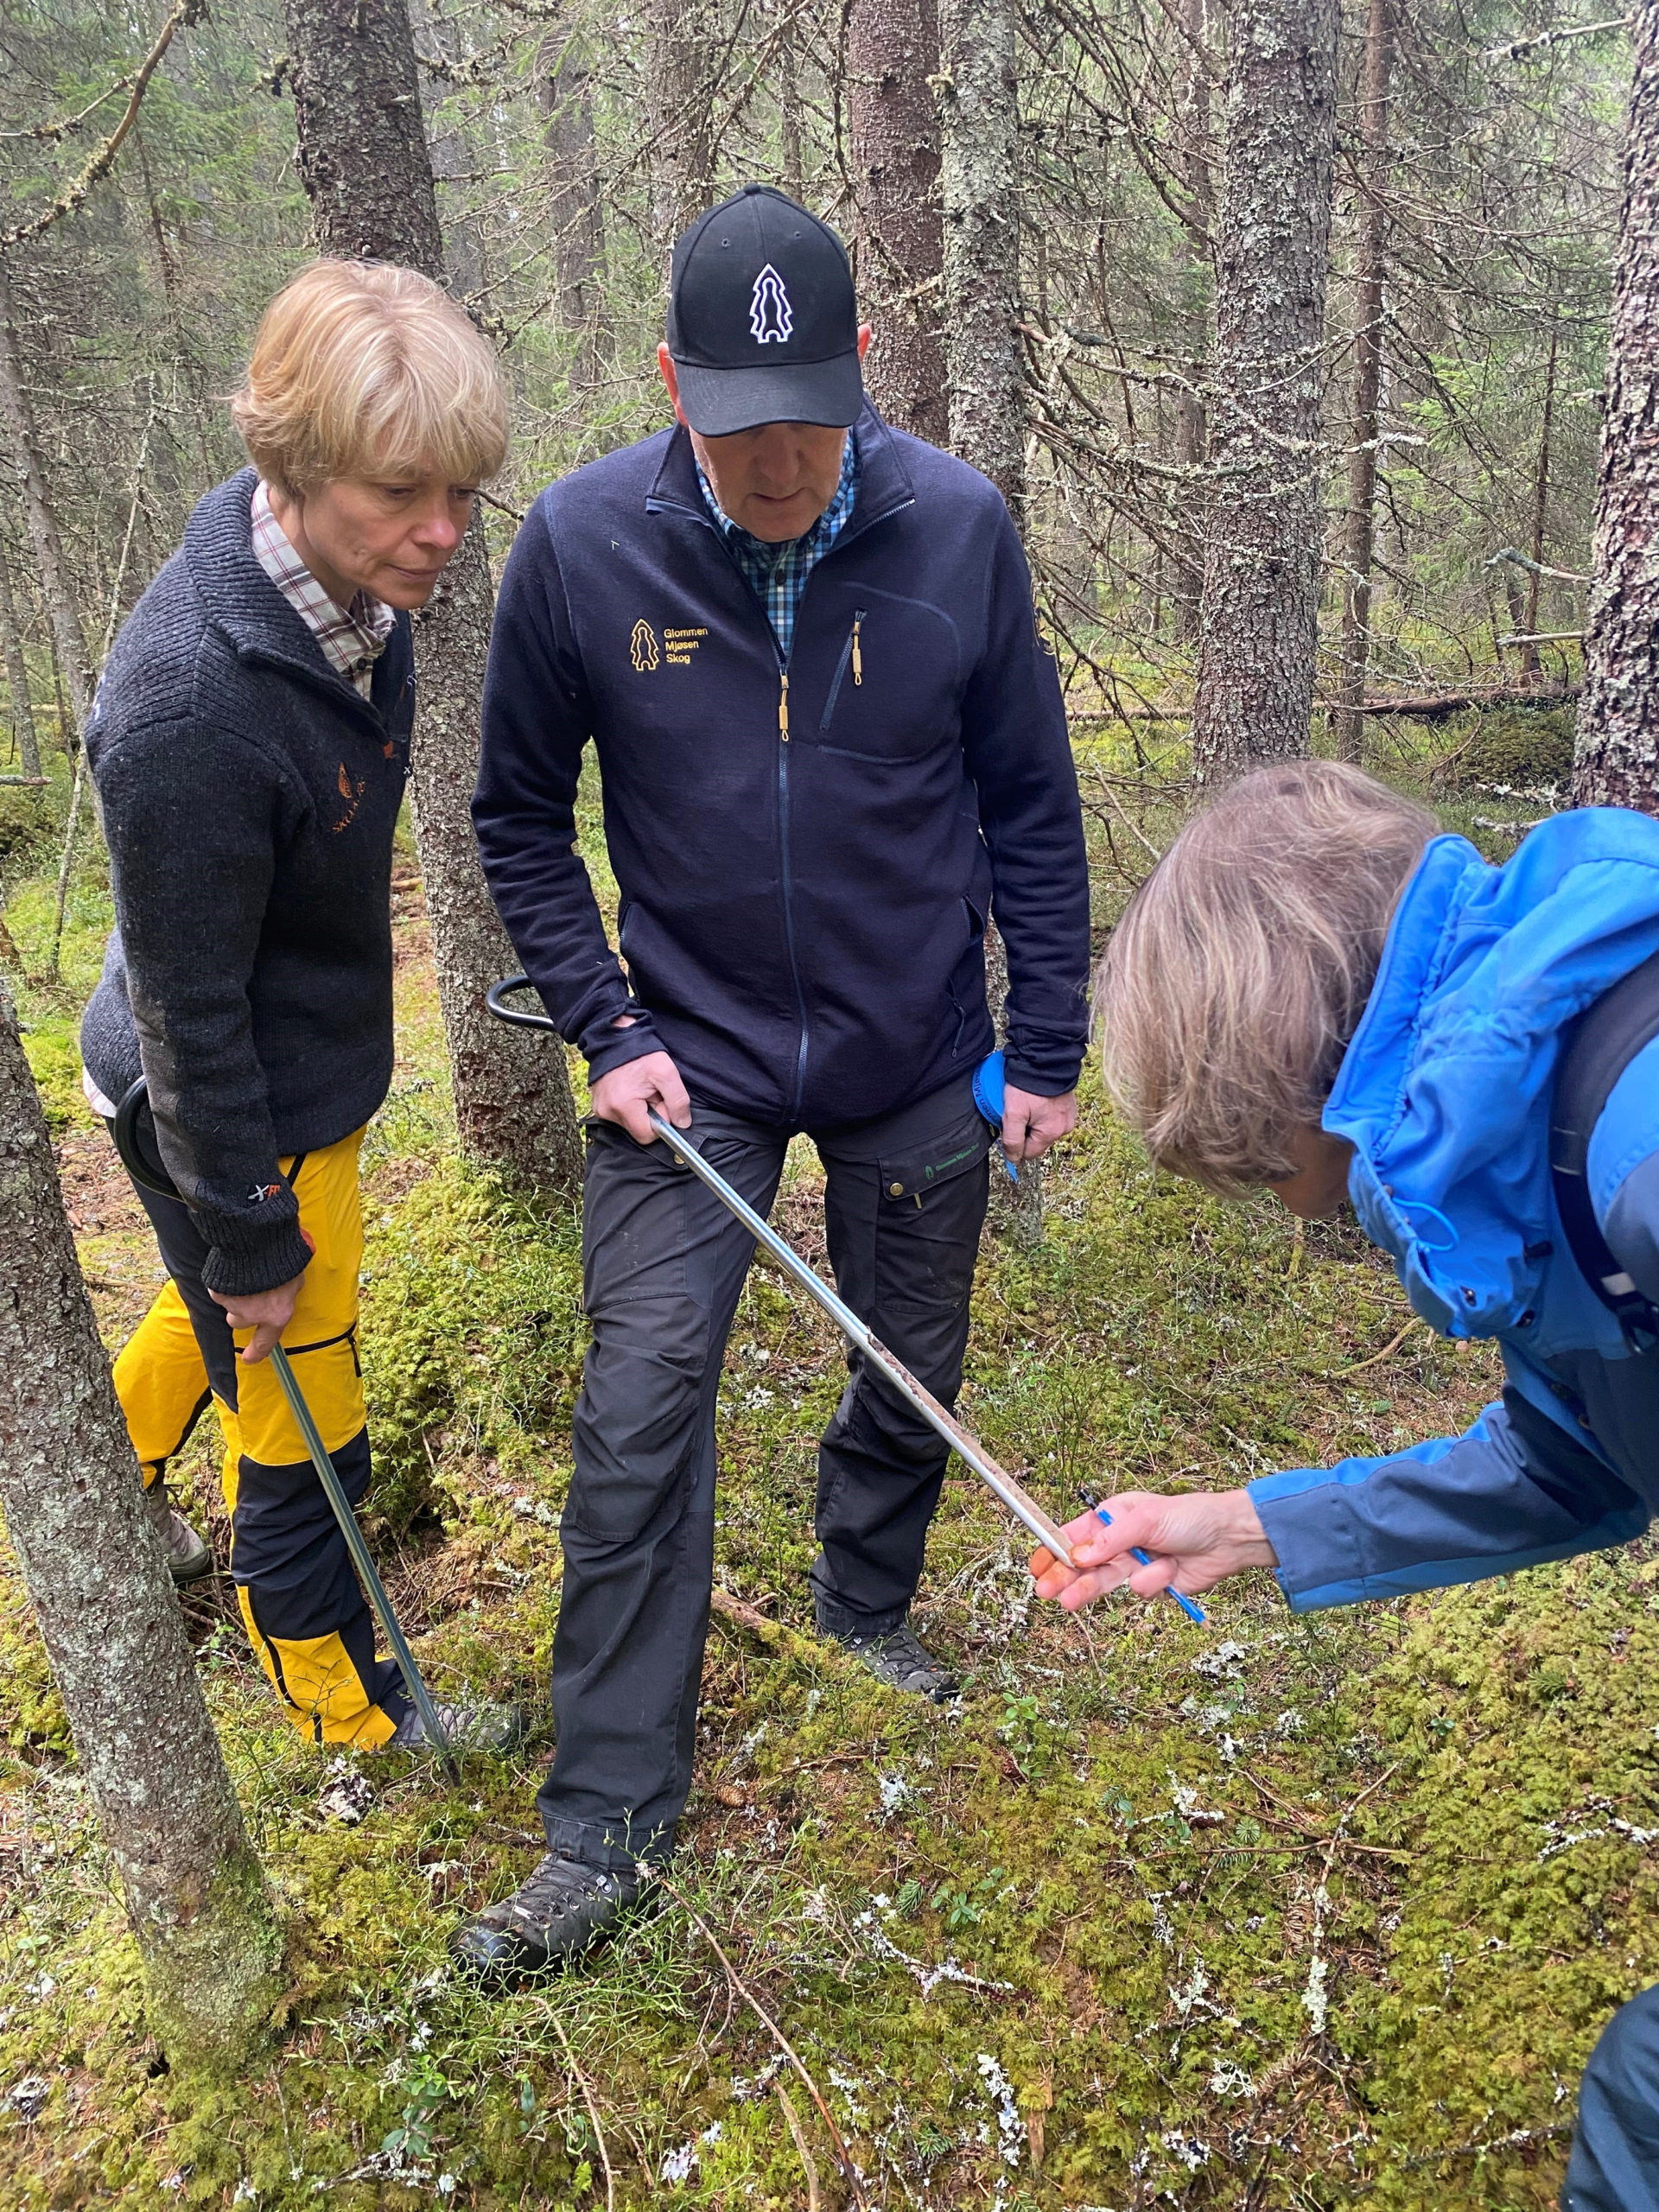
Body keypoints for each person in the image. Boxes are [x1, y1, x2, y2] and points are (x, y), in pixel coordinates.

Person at [462, 182, 1091, 1974]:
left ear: (862, 372)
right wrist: (606, 1023)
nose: (779, 464)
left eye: (810, 420)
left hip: (914, 1042)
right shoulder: (585, 547)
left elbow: (1032, 803)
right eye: (739, 433)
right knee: (646, 1388)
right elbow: (515, 813)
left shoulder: (959, 529)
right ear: (671, 386)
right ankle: (604, 1819)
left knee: (912, 1343)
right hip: (696, 1055)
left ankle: (865, 1594)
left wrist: (1044, 1037)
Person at [1027, 758, 1659, 2211]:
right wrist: (1238, 1528)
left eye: (1265, 1178)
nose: (1297, 1213)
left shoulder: (1633, 1139)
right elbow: (1575, 1456)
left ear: (1292, 1081)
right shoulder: (1545, 1111)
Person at [80, 259, 521, 1758]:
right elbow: (195, 1013)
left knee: (215, 1320)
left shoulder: (340, 590)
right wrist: (256, 1234)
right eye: (405, 493)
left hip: (278, 1059)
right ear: (294, 462)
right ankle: (350, 1711)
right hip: (221, 1096)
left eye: (460, 491)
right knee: (301, 1413)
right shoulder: (189, 705)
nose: (444, 533)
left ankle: (106, 1482)